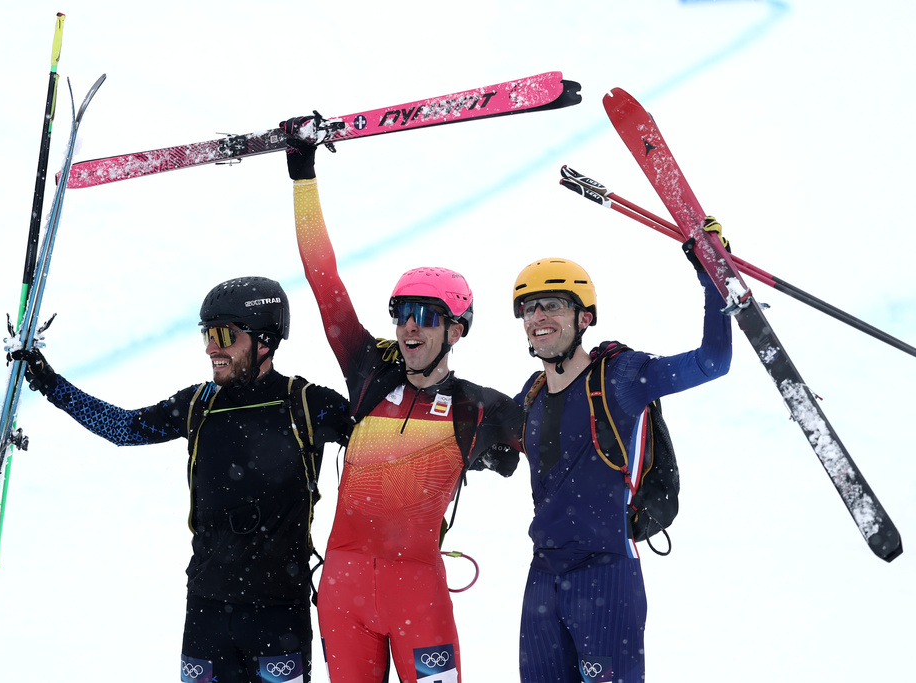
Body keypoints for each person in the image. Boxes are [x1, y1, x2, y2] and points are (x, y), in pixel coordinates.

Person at [280, 114, 524, 683]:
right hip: (341, 590)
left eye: (427, 317)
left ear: (457, 329)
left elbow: (562, 439)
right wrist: (302, 175)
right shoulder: (368, 372)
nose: (410, 328)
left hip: (417, 591)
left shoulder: (477, 407)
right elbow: (323, 279)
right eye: (403, 315)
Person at [11, 276, 349, 683]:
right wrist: (47, 381)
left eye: (224, 334)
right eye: (207, 334)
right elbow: (125, 428)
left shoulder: (307, 405)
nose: (211, 348)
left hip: (277, 615)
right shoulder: (199, 405)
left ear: (264, 340)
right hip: (207, 611)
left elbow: (390, 444)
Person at [512, 243, 733, 682]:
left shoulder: (621, 376)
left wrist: (714, 277)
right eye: (529, 308)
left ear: (584, 318)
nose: (538, 317)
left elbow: (713, 362)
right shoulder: (531, 394)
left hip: (607, 575)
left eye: (552, 305)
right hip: (543, 577)